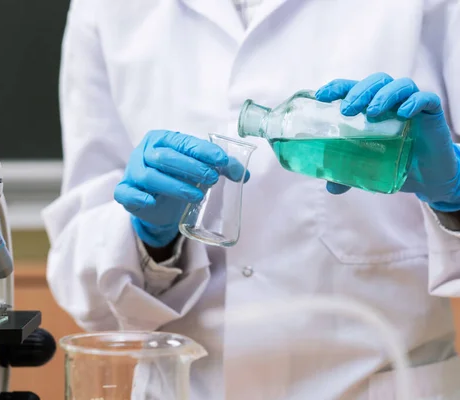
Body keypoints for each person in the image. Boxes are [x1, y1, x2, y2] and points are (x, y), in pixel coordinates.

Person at [43, 0, 460, 398]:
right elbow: (82, 286)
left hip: (376, 382)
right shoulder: (106, 8)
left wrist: (454, 194)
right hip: (190, 387)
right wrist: (148, 239)